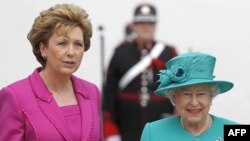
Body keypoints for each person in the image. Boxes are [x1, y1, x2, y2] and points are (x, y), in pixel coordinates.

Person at [0, 3, 103, 141]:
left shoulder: (92, 92)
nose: (71, 52)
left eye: (78, 44)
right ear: (43, 49)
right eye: (62, 43)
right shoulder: (15, 97)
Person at [102, 3, 178, 141]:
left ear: (155, 26)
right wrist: (111, 131)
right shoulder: (121, 52)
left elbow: (178, 91)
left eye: (149, 23)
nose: (145, 27)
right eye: (141, 22)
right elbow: (109, 93)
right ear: (134, 25)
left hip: (160, 123)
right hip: (127, 125)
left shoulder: (168, 52)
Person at [140, 52, 238, 141]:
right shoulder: (153, 132)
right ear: (174, 98)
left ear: (211, 96)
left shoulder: (236, 131)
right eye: (186, 94)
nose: (194, 102)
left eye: (201, 94)